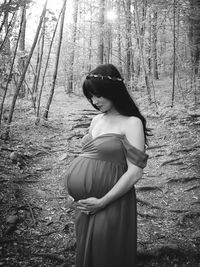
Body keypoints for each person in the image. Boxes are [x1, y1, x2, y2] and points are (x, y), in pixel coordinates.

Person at [64, 64, 149, 267]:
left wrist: (102, 202)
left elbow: (135, 172)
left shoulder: (132, 123)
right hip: (84, 205)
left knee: (106, 253)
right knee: (88, 253)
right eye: (90, 97)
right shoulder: (96, 121)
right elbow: (88, 156)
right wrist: (72, 193)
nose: (94, 102)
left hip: (112, 201)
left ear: (113, 92)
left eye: (98, 95)